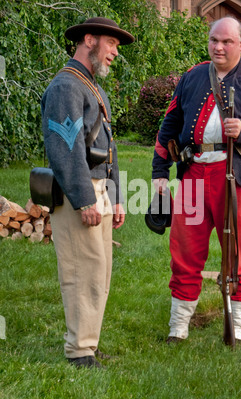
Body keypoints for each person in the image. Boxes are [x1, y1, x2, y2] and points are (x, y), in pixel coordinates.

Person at [151, 17, 241, 344]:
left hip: (234, 176)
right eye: (214, 40)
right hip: (194, 176)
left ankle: (238, 321)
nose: (219, 47)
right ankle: (179, 325)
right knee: (184, 250)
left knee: (237, 250)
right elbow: (169, 126)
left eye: (227, 42)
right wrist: (160, 174)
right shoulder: (193, 76)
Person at [41, 17, 134, 368]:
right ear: (90, 40)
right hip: (79, 191)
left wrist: (116, 194)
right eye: (111, 44)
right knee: (82, 269)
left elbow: (106, 149)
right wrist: (85, 199)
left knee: (99, 270)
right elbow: (65, 149)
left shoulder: (91, 86)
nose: (114, 52)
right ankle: (79, 350)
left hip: (99, 189)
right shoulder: (67, 86)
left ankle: (88, 344)